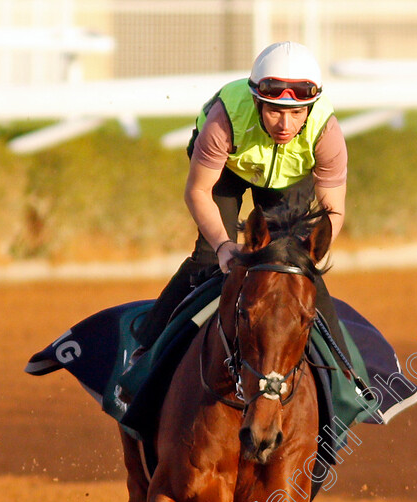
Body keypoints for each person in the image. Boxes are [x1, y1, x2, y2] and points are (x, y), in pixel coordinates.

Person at [134, 40, 351, 364]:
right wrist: (223, 245)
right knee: (208, 259)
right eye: (275, 111)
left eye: (296, 113)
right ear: (256, 102)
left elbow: (333, 210)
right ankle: (147, 350)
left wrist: (311, 253)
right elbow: (197, 191)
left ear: (310, 108)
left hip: (288, 181)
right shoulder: (224, 120)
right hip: (227, 171)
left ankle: (344, 372)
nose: (285, 125)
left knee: (297, 266)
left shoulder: (327, 132)